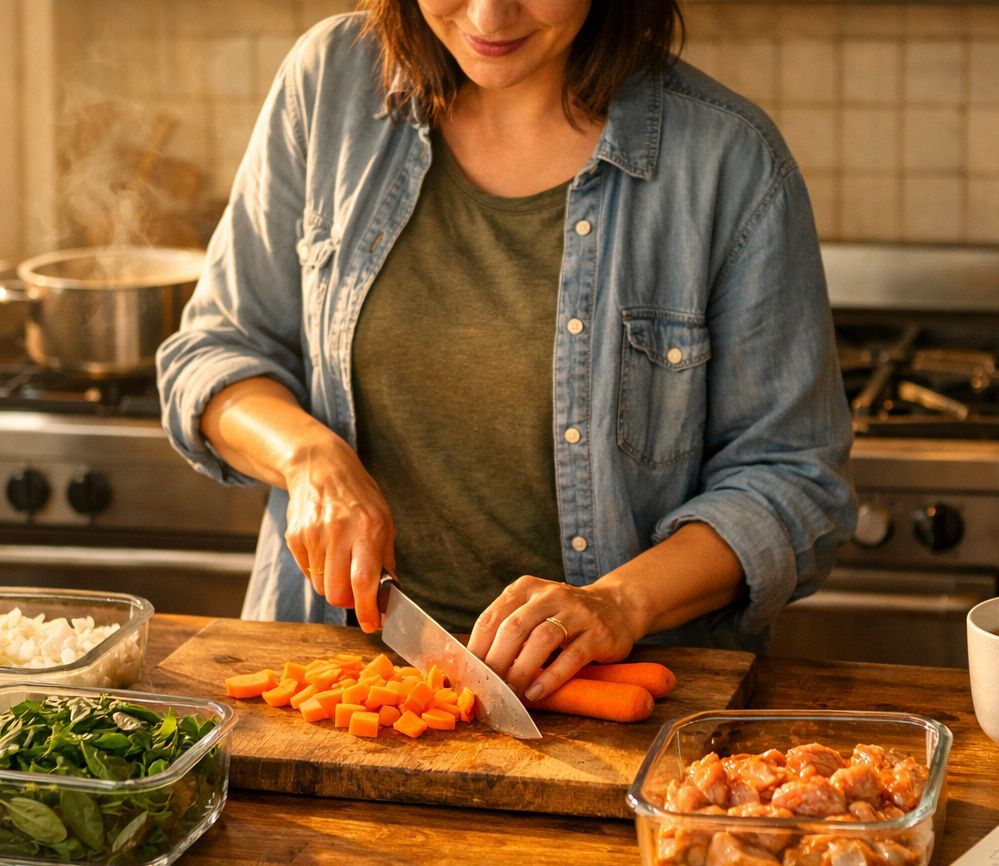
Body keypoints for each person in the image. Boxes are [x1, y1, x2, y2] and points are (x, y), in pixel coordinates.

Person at [156, 0, 855, 702]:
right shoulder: (330, 81)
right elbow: (216, 350)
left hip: (612, 708)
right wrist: (309, 459)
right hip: (335, 693)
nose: (489, 15)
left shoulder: (728, 159)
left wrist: (619, 603)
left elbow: (791, 481)